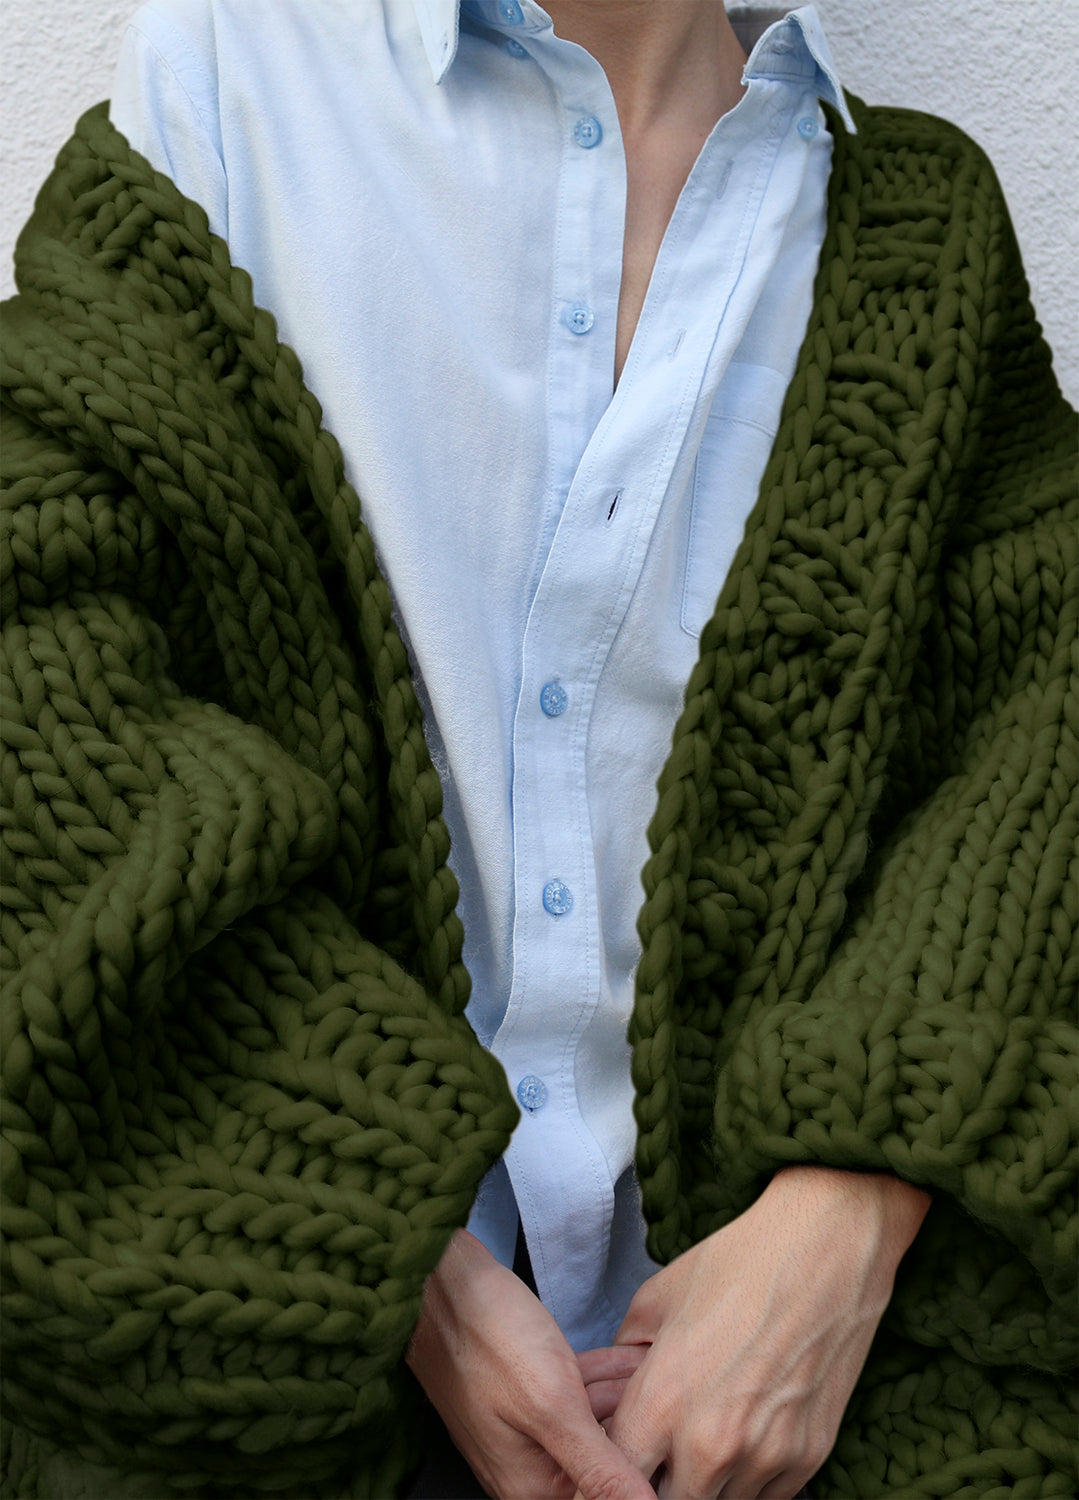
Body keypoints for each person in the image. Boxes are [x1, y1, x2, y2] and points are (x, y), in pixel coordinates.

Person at [0, 3, 1074, 1499]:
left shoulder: (915, 226)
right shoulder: (236, 88)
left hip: (781, 1419)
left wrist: (847, 1214)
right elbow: (41, 689)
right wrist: (393, 1249)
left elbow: (1037, 761)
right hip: (290, 1371)